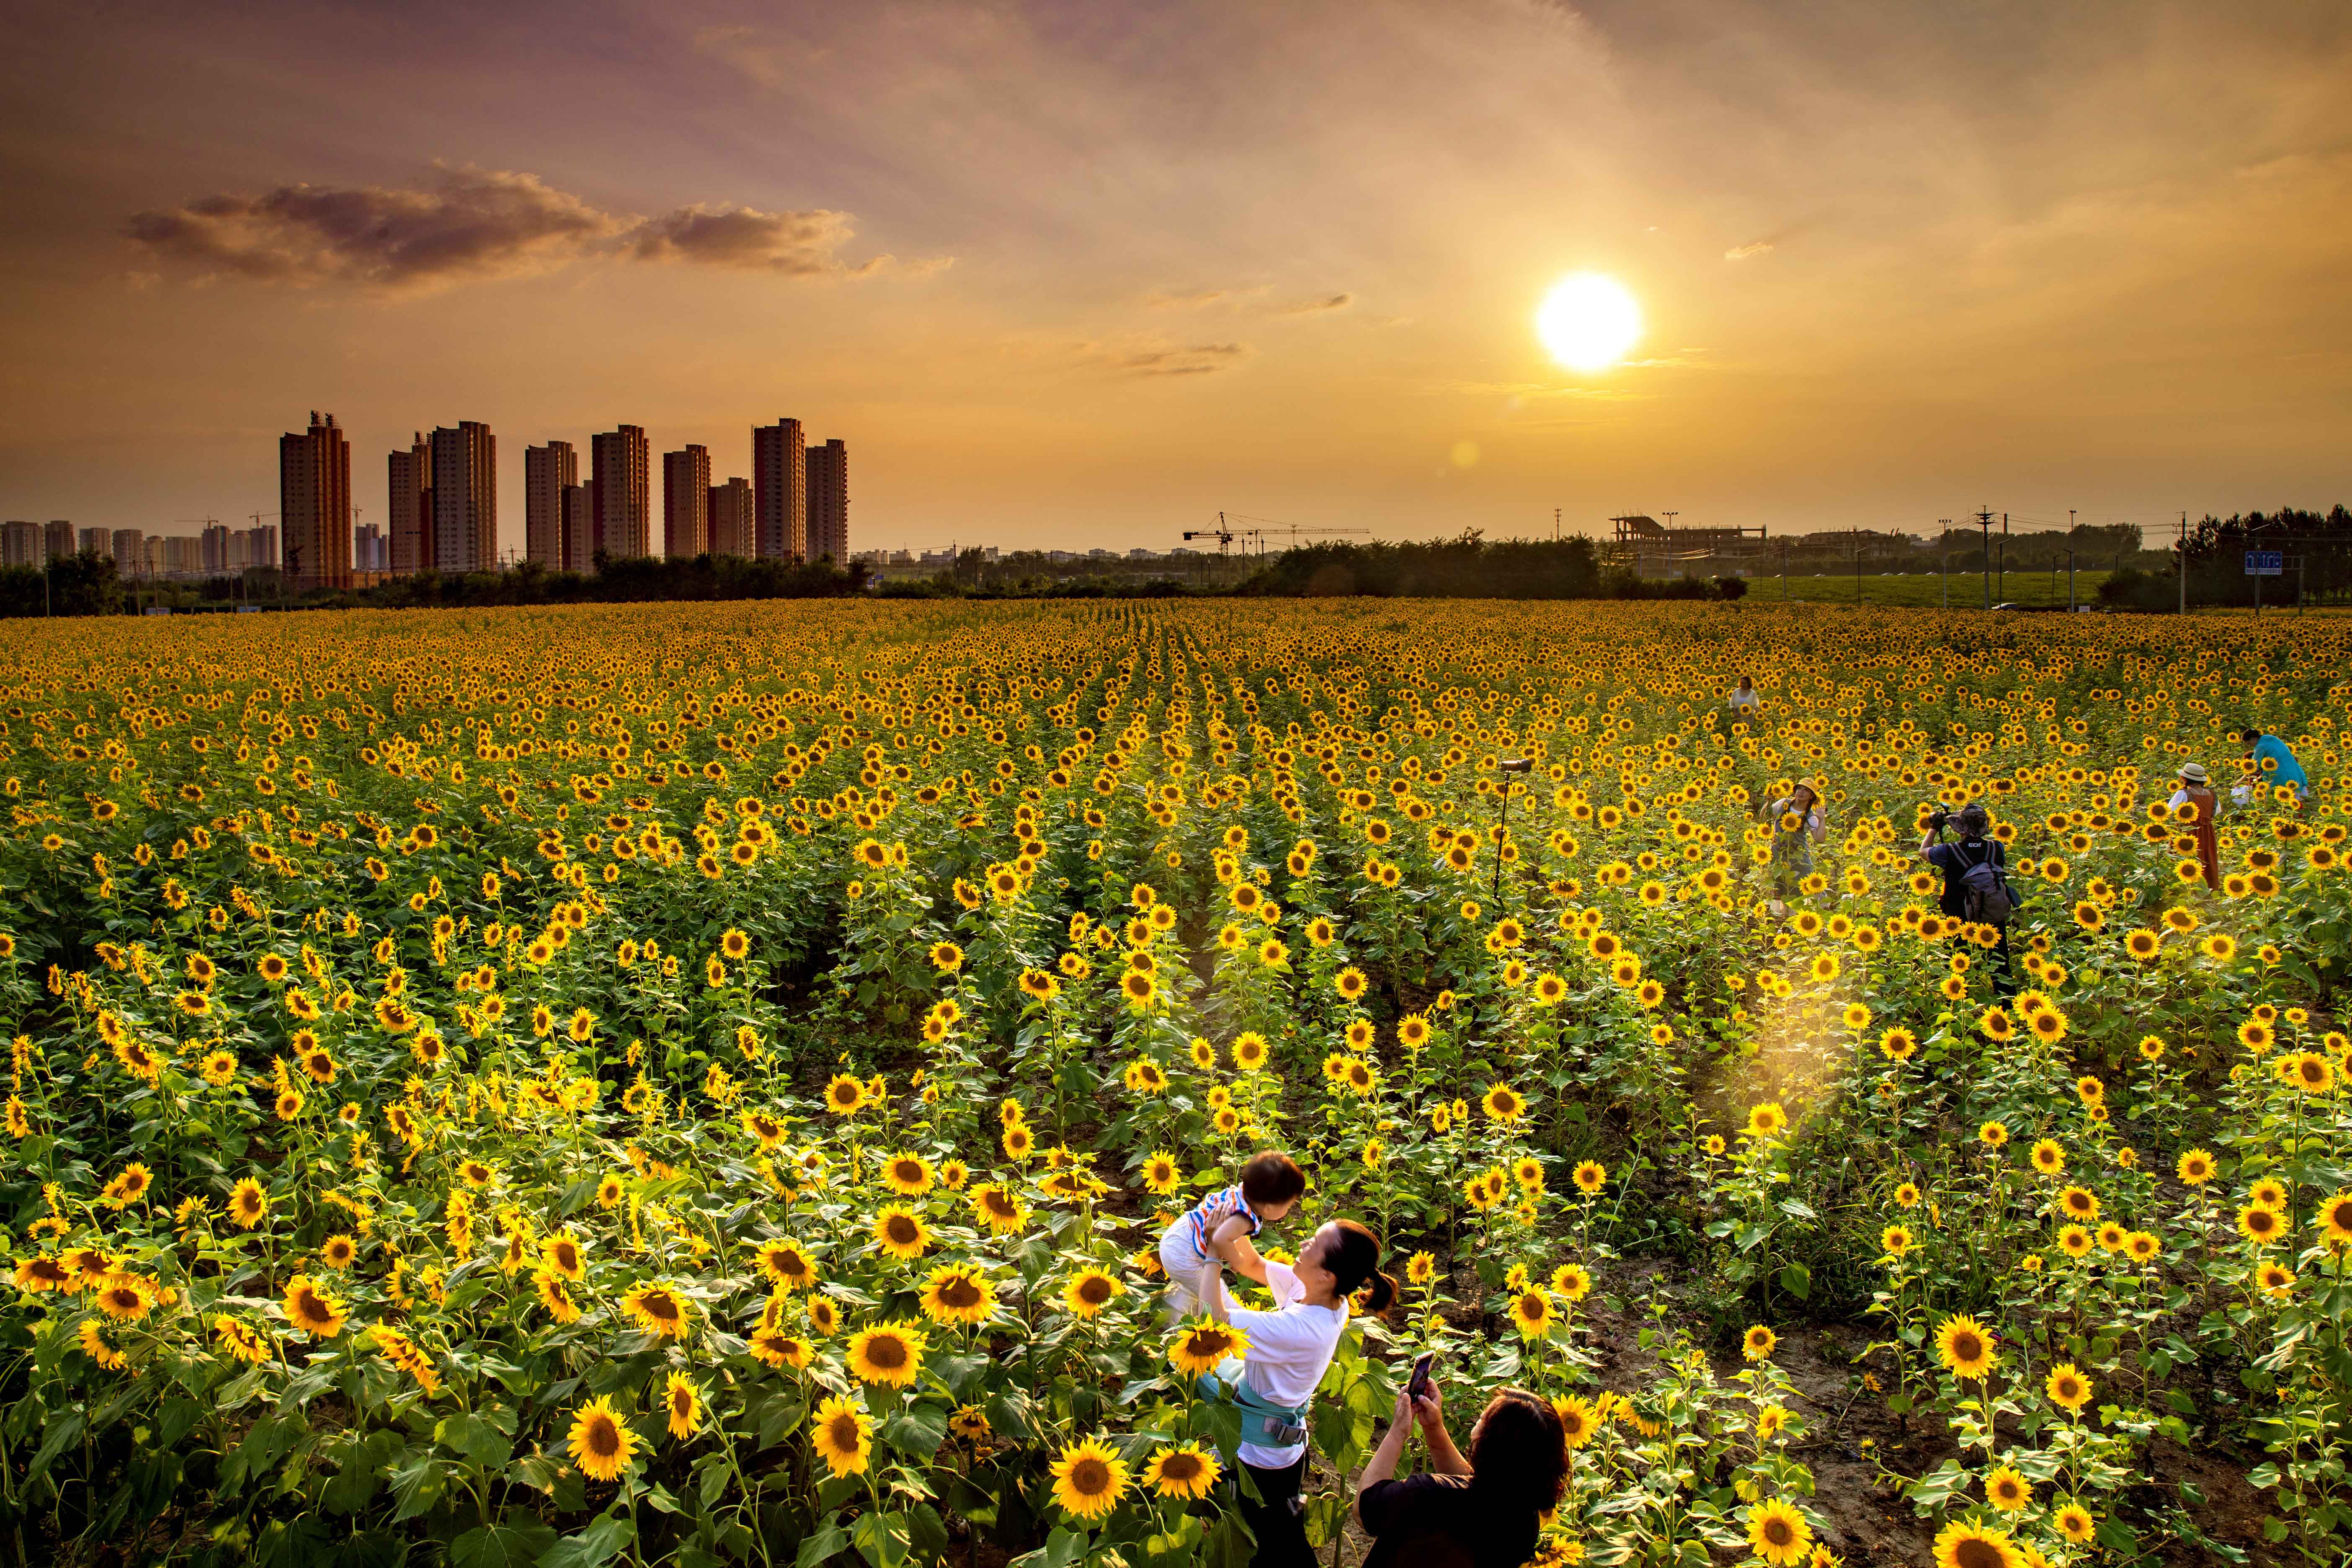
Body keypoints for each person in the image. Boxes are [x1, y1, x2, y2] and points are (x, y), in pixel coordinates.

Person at [1202, 1218, 1397, 1568]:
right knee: (1279, 1539)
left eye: (1315, 1244)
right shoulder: (1326, 1299)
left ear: (1327, 1274)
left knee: (1264, 1550)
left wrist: (1211, 1259)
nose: (1304, 1243)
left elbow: (1213, 1322)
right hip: (1279, 1446)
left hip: (1258, 1460)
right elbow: (1251, 1264)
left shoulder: (1301, 1330)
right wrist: (1235, 1220)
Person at [1355, 1378, 1566, 1568]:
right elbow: (1472, 1495)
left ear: (1491, 1447)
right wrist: (1434, 1427)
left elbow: (1365, 1509)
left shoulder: (1427, 1494)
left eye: (1483, 1422)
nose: (1478, 1421)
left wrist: (1398, 1431)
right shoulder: (1524, 1520)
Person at [1157, 1149, 1304, 1318]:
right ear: (1269, 1208)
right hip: (1184, 1254)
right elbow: (1219, 1239)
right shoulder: (1244, 1218)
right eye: (1288, 1206)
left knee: (1199, 1286)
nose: (1288, 1211)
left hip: (1179, 1235)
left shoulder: (1240, 1195)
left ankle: (1177, 1306)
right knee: (1219, 1296)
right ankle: (1238, 1327)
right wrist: (1238, 1259)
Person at [1920, 802, 2014, 993]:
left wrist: (1934, 828)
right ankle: (2007, 1004)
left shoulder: (1949, 851)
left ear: (1960, 827)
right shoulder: (1997, 848)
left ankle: (1957, 1003)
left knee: (1957, 962)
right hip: (1991, 913)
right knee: (1999, 962)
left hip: (1958, 916)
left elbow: (1923, 851)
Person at [1754, 780, 1827, 911]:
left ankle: (1817, 912)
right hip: (1778, 853)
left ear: (1812, 796)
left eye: (1806, 790)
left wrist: (1822, 819)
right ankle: (1784, 918)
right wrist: (1768, 802)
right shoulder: (1783, 804)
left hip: (1798, 857)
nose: (1801, 791)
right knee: (1781, 886)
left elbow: (1820, 838)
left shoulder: (1810, 816)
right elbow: (1764, 817)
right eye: (1799, 788)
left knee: (1808, 883)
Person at [2167, 762, 2222, 890]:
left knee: (2186, 859)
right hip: (2207, 831)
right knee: (2207, 857)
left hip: (2188, 831)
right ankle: (2207, 887)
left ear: (2185, 779)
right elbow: (2217, 811)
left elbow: (2171, 811)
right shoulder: (2212, 795)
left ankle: (2185, 889)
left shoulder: (2184, 794)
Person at [2238, 726, 2310, 809]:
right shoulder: (2272, 739)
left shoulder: (2261, 747)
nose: (2250, 746)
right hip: (2294, 770)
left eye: (2248, 743)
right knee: (2295, 801)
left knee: (2284, 801)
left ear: (2253, 739)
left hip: (2281, 775)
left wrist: (2240, 782)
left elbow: (2254, 766)